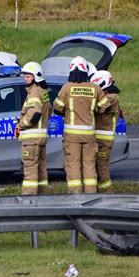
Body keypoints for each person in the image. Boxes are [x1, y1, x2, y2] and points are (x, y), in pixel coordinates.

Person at [53, 56, 109, 193]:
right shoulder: (94, 88)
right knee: (89, 166)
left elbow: (57, 108)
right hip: (89, 135)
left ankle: (75, 197)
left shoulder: (67, 88)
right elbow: (104, 107)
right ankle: (91, 195)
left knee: (73, 166)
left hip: (72, 137)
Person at [15, 62, 52, 195]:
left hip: (31, 140)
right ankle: (42, 199)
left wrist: (21, 125)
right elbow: (49, 112)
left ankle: (28, 202)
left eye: (28, 76)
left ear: (36, 76)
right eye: (25, 76)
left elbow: (35, 114)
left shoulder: (34, 92)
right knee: (41, 171)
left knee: (30, 172)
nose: (25, 79)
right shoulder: (43, 92)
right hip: (40, 139)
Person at [91, 70, 120, 193]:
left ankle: (107, 193)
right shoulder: (106, 95)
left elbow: (98, 108)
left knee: (102, 167)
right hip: (98, 138)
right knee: (95, 166)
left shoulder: (111, 98)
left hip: (104, 140)